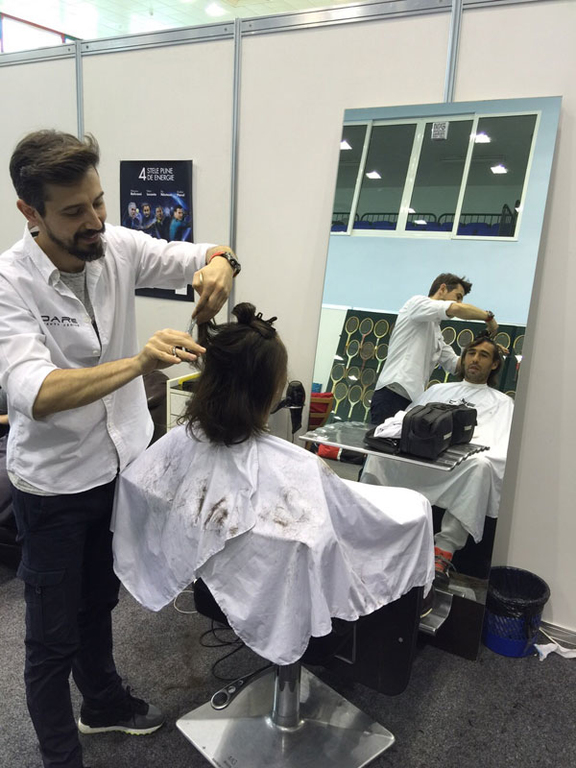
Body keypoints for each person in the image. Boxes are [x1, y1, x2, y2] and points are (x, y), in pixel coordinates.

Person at [0, 129, 239, 768]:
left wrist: (222, 264)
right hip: (53, 486)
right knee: (50, 640)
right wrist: (138, 363)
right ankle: (60, 757)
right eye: (74, 211)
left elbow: (205, 253)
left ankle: (102, 703)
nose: (95, 221)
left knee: (99, 600)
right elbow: (36, 392)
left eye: (99, 202)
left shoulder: (116, 245)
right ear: (30, 211)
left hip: (119, 472)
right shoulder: (10, 282)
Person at [112, 303, 435, 665]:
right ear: (271, 388)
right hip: (297, 615)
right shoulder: (302, 466)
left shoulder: (180, 442)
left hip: (210, 595)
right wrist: (419, 508)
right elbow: (358, 525)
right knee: (413, 507)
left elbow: (139, 487)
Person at [363, 337, 514, 583]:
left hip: (462, 466)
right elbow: (404, 423)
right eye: (471, 353)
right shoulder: (437, 391)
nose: (475, 359)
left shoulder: (503, 403)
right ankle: (371, 527)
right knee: (379, 456)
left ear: (495, 364)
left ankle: (443, 551)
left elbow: (503, 448)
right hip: (423, 456)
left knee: (481, 467)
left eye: (484, 355)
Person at [370, 273, 500, 425]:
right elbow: (456, 309)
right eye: (458, 296)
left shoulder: (436, 332)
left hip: (412, 402)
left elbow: (457, 365)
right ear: (442, 289)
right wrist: (488, 317)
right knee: (380, 440)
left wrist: (483, 347)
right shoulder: (416, 303)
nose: (459, 302)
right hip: (391, 395)